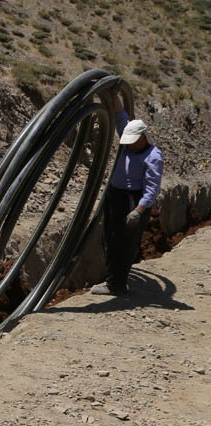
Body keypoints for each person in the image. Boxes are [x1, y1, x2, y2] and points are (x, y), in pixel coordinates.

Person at [92, 95, 163, 297]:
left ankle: (117, 285)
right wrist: (112, 93)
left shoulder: (153, 156)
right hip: (115, 195)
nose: (129, 145)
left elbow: (152, 188)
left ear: (143, 138)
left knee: (123, 243)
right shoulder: (129, 135)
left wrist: (138, 211)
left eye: (133, 143)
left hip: (133, 201)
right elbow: (120, 114)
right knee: (109, 238)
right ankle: (112, 277)